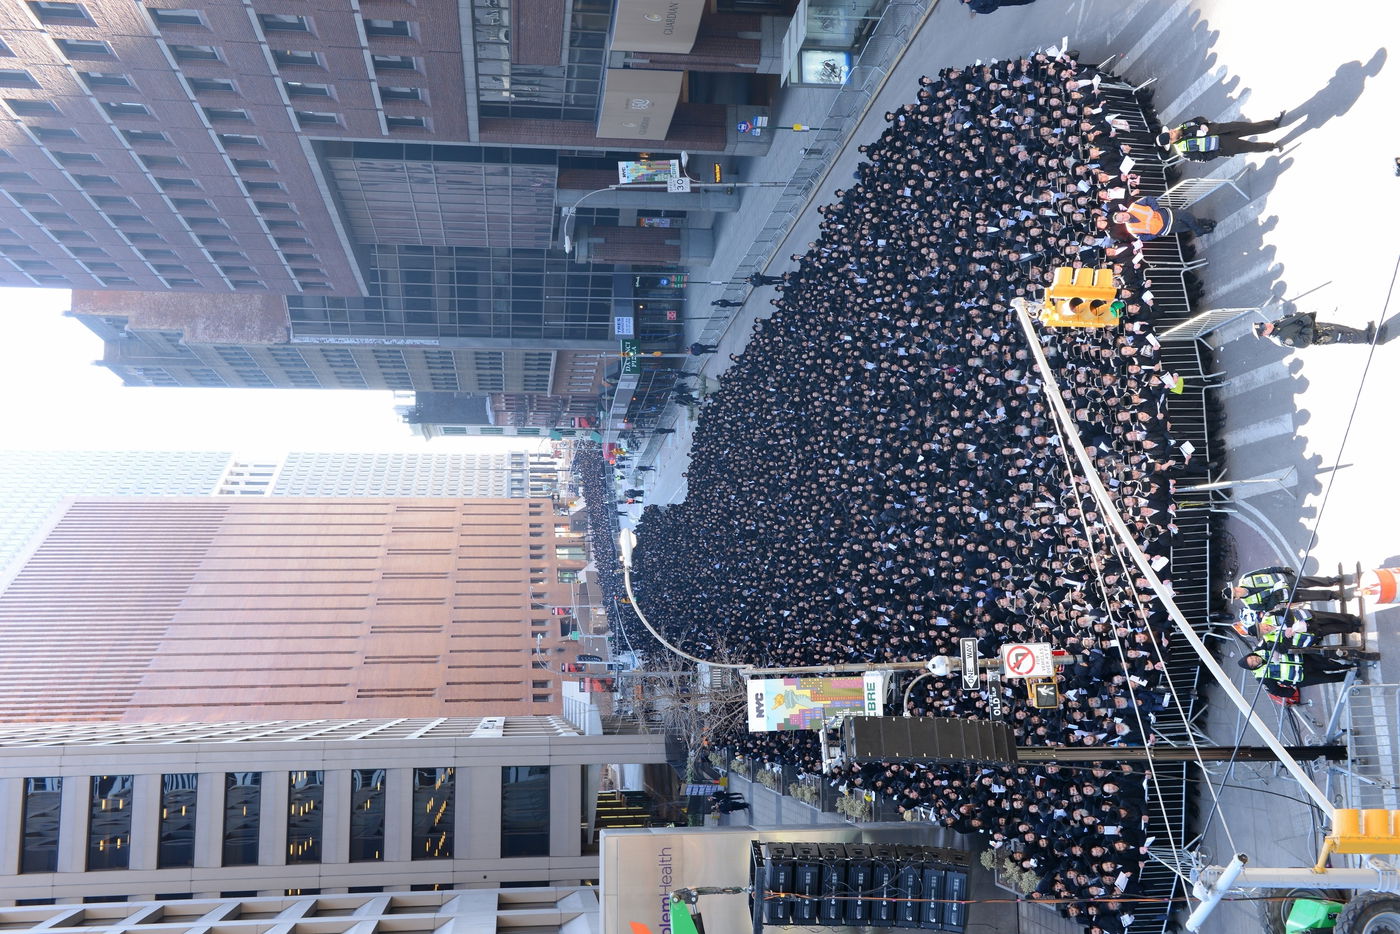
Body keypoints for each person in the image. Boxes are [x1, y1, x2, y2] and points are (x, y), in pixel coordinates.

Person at [1155, 112, 1286, 160]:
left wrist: (1203, 124)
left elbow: (1198, 118)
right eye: (1171, 134)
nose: (1172, 130)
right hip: (1225, 146)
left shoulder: (1182, 126)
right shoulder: (1184, 151)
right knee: (1252, 147)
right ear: (1172, 141)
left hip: (1225, 129)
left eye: (1170, 131)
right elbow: (1203, 158)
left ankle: (1273, 124)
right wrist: (1218, 152)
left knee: (1252, 127)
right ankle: (1272, 146)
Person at [1239, 646, 1357, 698]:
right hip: (1302, 677)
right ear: (1252, 668)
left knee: (1328, 664)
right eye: (1252, 663)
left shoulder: (1260, 650)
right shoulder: (1261, 677)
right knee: (1328, 678)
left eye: (1252, 658)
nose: (1254, 660)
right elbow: (1275, 690)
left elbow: (1270, 641)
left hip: (1304, 661)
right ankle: (1352, 675)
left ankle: (1350, 666)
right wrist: (1290, 692)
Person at [1233, 566, 1344, 611]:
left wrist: (1282, 569)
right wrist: (1275, 595)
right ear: (1237, 598)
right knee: (1311, 595)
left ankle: (1332, 581)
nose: (1238, 590)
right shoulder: (1251, 605)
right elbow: (1267, 608)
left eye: (1235, 589)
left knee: (1310, 581)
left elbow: (1265, 571)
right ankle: (1333, 595)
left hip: (1285, 579)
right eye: (1236, 593)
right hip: (1285, 595)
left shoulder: (1245, 578)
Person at [1110, 196, 1214, 240]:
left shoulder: (1134, 206)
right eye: (1121, 219)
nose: (1124, 217)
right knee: (1187, 225)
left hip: (1165, 215)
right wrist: (1156, 234)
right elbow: (1143, 238)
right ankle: (1206, 224)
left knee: (1187, 216)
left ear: (1122, 212)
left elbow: (1148, 199)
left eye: (1122, 215)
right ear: (1121, 222)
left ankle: (1201, 230)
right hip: (1164, 229)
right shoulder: (1131, 229)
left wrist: (1156, 209)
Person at [1253, 313, 1375, 347]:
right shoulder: (1282, 338)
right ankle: (1371, 338)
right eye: (1264, 329)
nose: (1267, 325)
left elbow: (1290, 318)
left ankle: (1365, 334)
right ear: (1264, 334)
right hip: (1320, 334)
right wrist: (1306, 324)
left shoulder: (1275, 324)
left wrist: (1298, 316)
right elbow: (1304, 342)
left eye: (1263, 324)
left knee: (1344, 329)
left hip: (1318, 326)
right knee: (1345, 335)